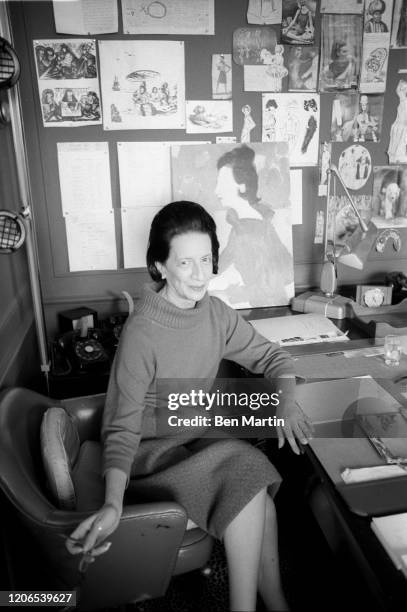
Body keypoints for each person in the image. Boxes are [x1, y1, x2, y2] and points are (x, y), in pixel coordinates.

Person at [66, 200, 313, 612]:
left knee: (259, 500)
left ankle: (276, 600)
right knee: (247, 470)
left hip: (189, 444)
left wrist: (285, 402)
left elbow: (276, 358)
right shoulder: (142, 333)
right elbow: (121, 429)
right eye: (185, 263)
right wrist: (113, 502)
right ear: (160, 267)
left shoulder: (215, 313)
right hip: (150, 458)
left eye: (206, 259)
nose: (201, 275)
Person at [212, 145, 294, 307]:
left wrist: (236, 293)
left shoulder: (250, 228)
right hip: (265, 306)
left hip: (270, 310)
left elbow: (270, 285)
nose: (216, 190)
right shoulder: (243, 223)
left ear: (241, 186)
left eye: (221, 182)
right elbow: (225, 259)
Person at [388, 79, 407, 163]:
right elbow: (398, 90)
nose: (402, 90)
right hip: (398, 128)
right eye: (402, 89)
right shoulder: (403, 101)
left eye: (404, 89)